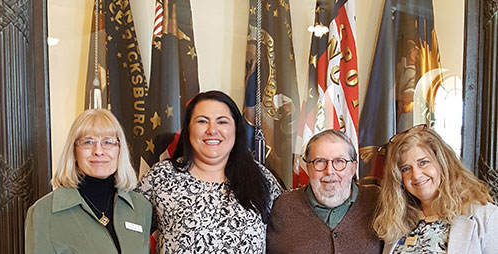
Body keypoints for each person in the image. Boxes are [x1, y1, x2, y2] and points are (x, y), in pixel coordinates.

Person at [136, 90, 282, 253]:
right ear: (188, 129)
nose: (212, 130)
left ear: (235, 129)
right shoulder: (161, 177)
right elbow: (127, 230)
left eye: (222, 122)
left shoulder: (262, 179)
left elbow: (289, 235)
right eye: (202, 121)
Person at [25, 109, 152, 254]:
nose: (98, 151)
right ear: (73, 151)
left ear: (120, 150)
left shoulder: (141, 208)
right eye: (88, 142)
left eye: (108, 142)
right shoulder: (43, 213)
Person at [373, 125, 498, 253]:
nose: (416, 175)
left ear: (443, 163)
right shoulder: (398, 222)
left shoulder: (485, 216)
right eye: (406, 169)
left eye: (423, 163)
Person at [267, 129, 383, 254]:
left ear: (353, 168)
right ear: (309, 168)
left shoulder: (377, 202)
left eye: (339, 161)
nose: (329, 171)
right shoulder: (282, 207)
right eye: (320, 162)